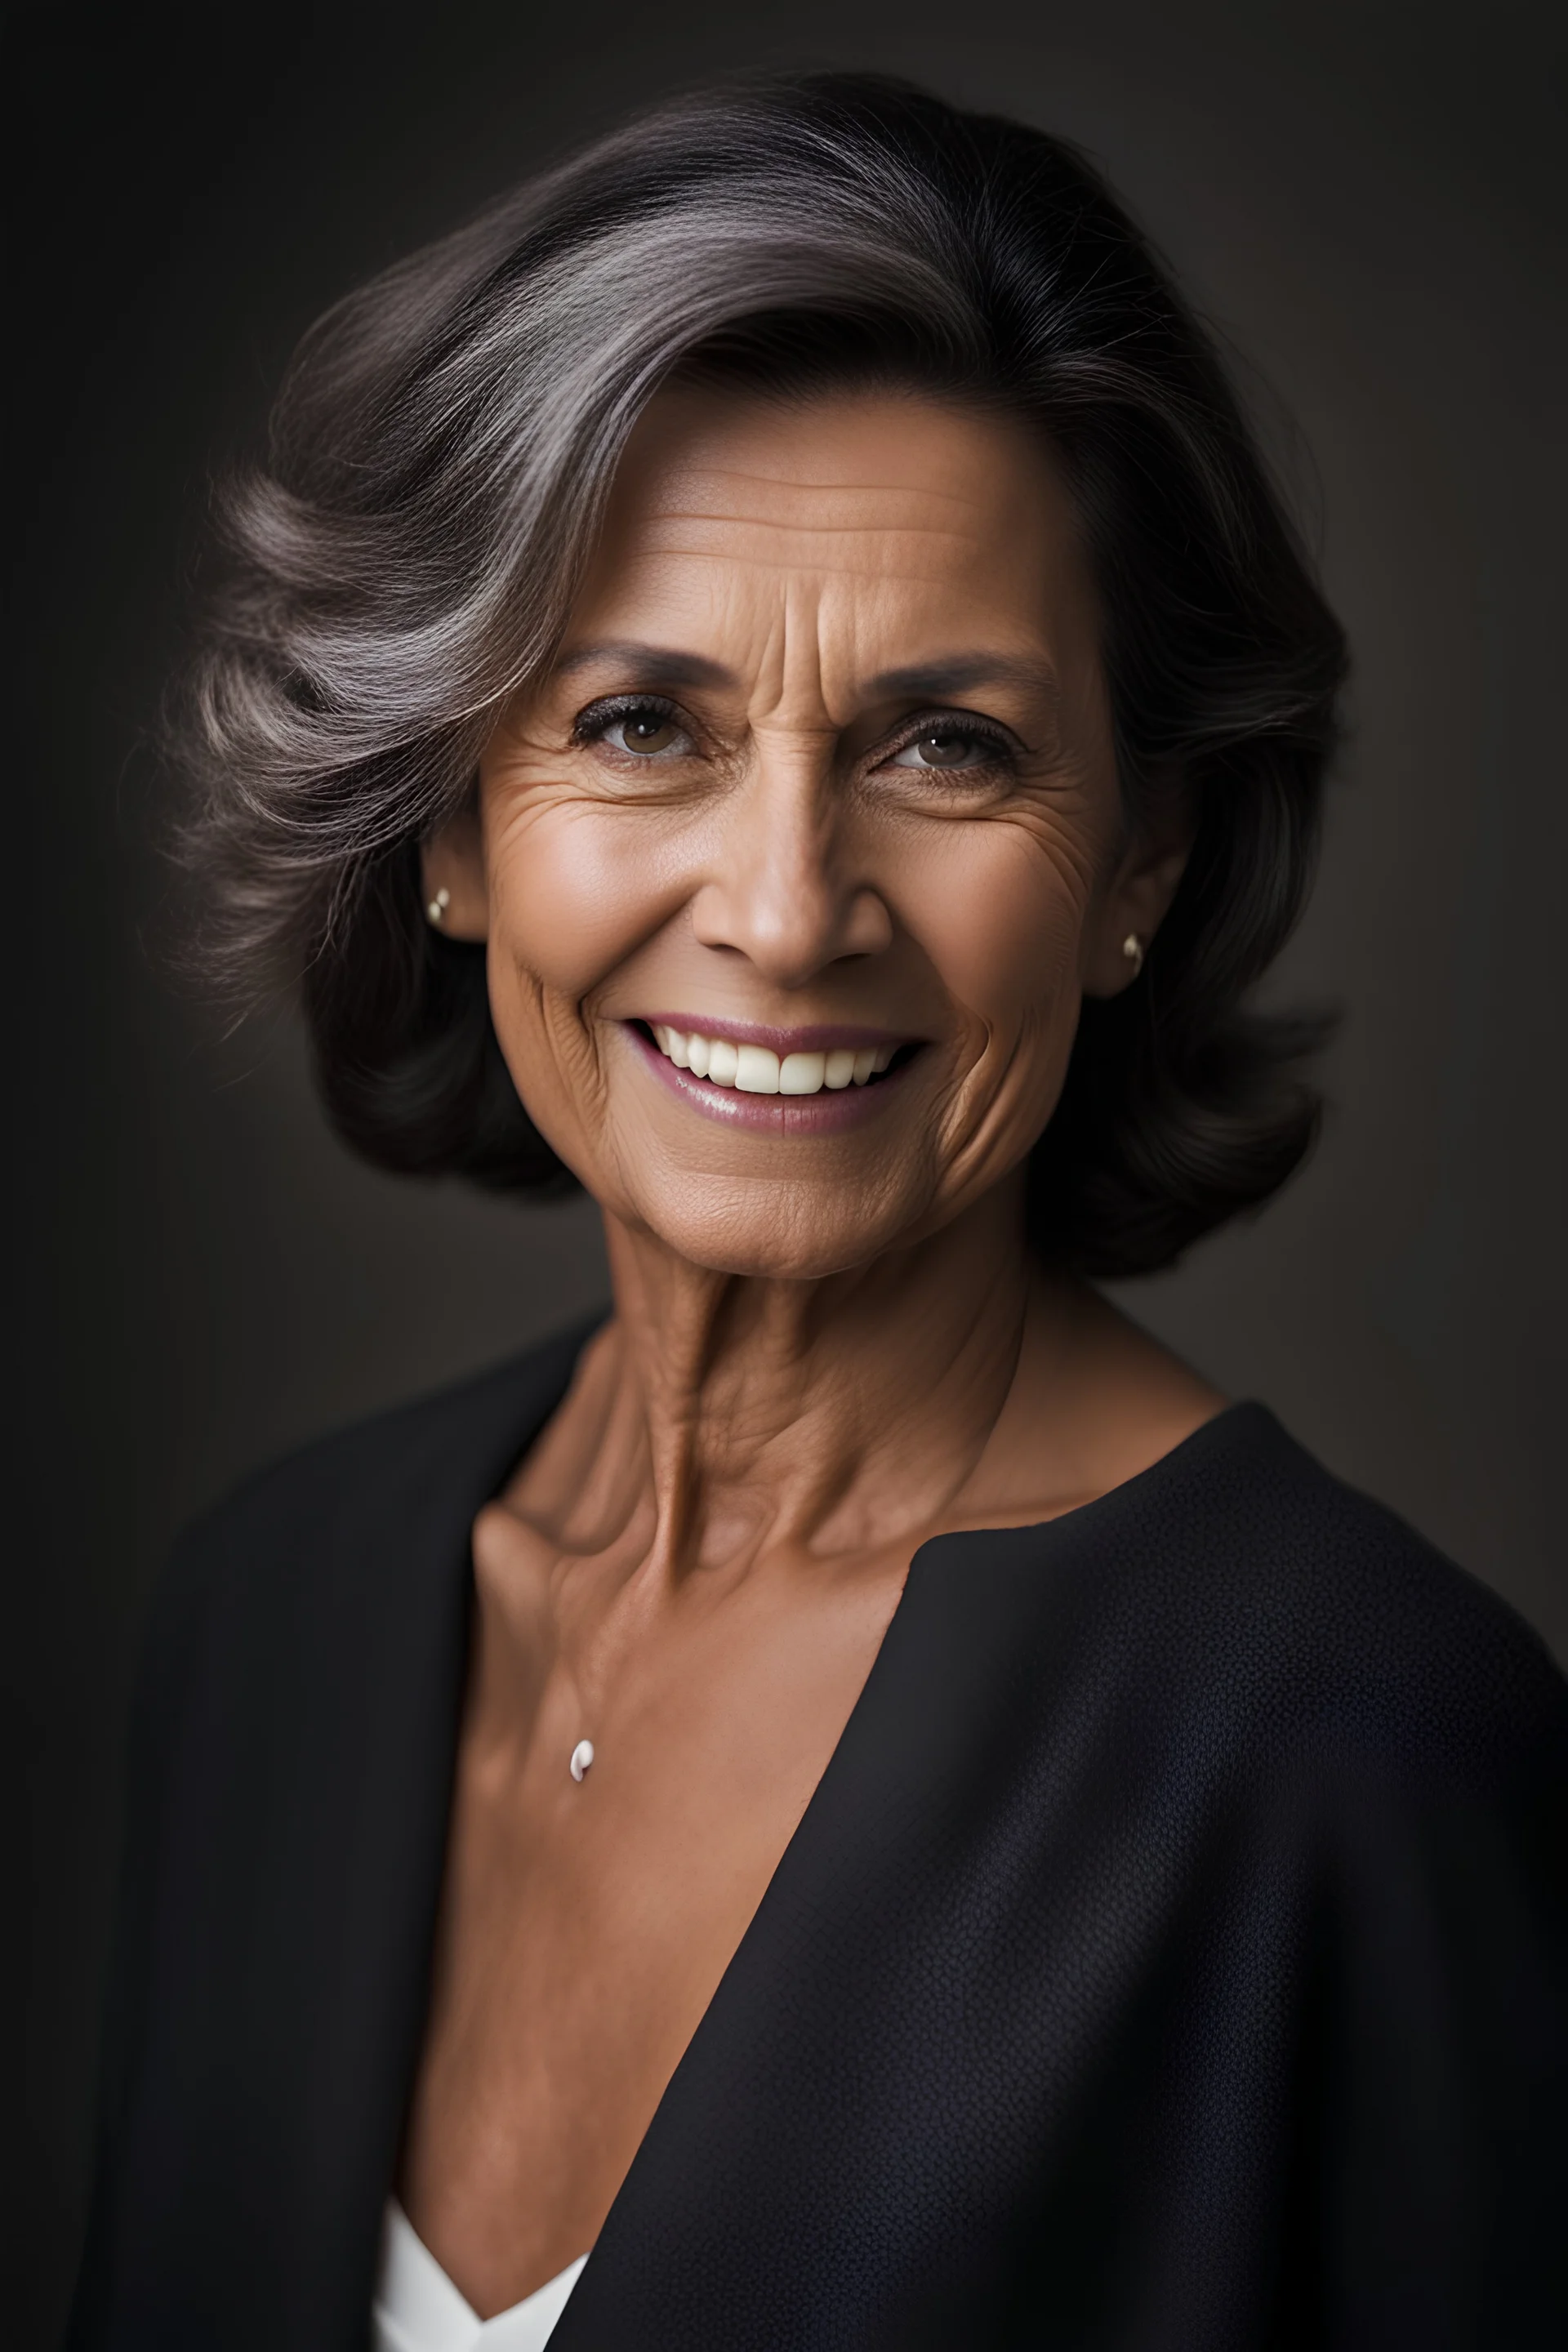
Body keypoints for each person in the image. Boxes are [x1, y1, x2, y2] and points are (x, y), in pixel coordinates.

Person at [69, 74, 1567, 2352]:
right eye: (645, 725)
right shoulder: (267, 1626)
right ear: (451, 825)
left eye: (945, 743)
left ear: (1138, 869)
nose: (785, 913)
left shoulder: (1363, 1763)